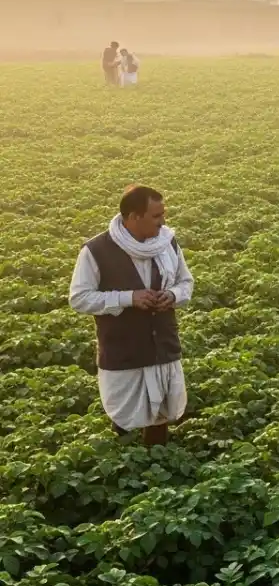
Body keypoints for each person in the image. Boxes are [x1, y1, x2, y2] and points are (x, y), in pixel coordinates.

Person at [69, 185, 194, 447]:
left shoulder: (167, 243)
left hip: (162, 345)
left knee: (162, 412)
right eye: (156, 216)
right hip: (123, 349)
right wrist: (128, 298)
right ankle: (124, 469)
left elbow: (185, 282)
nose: (163, 222)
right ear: (134, 217)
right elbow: (79, 298)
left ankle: (156, 467)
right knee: (124, 416)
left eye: (163, 214)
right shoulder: (96, 250)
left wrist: (171, 296)